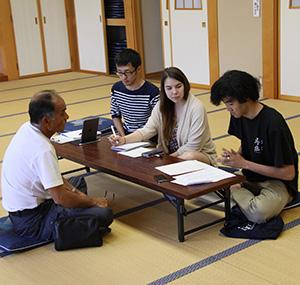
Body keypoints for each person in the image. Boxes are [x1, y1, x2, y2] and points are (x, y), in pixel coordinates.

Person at [1, 90, 113, 241]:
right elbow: (60, 198)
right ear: (46, 121)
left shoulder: (27, 128)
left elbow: (55, 180)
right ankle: (64, 227)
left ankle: (76, 217)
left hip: (23, 210)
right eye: (63, 113)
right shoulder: (42, 149)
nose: (67, 117)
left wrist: (76, 193)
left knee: (77, 183)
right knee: (104, 214)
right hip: (33, 222)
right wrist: (93, 201)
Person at [210, 70, 298, 224]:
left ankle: (235, 193)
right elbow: (247, 141)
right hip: (250, 178)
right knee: (203, 191)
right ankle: (239, 196)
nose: (228, 108)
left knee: (259, 213)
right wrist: (234, 158)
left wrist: (244, 164)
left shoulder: (273, 123)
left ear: (246, 97)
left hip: (277, 183)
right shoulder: (239, 115)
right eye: (225, 104)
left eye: (230, 103)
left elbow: (289, 174)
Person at [109, 67, 217, 165]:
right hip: (169, 156)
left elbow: (194, 146)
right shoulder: (161, 105)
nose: (174, 92)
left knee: (189, 156)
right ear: (164, 90)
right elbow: (147, 130)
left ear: (185, 85)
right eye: (169, 88)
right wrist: (124, 140)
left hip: (198, 155)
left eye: (178, 86)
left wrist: (169, 159)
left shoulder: (196, 107)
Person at [111, 48, 160, 136]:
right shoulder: (116, 89)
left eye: (127, 72)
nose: (123, 77)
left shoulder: (152, 92)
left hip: (148, 136)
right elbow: (115, 115)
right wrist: (123, 137)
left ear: (138, 69)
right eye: (120, 73)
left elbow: (159, 121)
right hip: (126, 134)